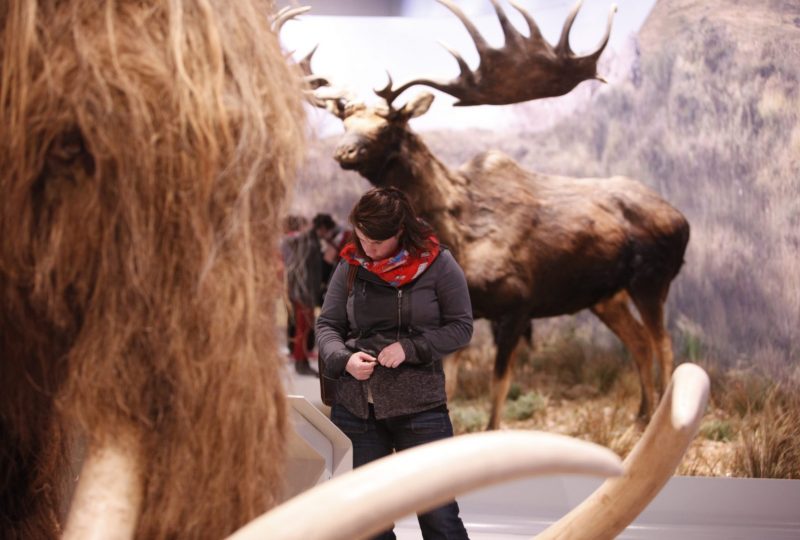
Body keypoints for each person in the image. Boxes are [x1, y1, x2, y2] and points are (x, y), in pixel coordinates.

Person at [316, 187, 473, 540]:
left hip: (421, 409)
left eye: (376, 242)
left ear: (400, 231)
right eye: (361, 238)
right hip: (356, 409)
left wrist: (411, 348)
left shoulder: (438, 263)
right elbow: (327, 325)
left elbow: (461, 327)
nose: (366, 249)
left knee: (439, 518)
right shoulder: (351, 265)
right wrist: (343, 358)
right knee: (368, 521)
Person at [281, 215, 322, 376]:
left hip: (298, 290)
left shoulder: (293, 243)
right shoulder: (304, 243)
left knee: (302, 326)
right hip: (304, 291)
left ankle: (301, 360)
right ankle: (301, 361)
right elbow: (302, 270)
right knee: (303, 327)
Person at [312, 212, 352, 305]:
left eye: (316, 229)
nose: (316, 233)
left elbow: (327, 263)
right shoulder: (341, 232)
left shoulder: (337, 237)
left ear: (322, 228)